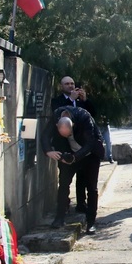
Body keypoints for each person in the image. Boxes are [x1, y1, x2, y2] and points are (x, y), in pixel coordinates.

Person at [39, 105, 105, 233]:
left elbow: (90, 143)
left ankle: (91, 222)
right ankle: (59, 217)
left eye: (68, 134)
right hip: (68, 153)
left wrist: (75, 157)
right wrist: (48, 151)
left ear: (73, 125)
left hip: (89, 154)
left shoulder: (84, 117)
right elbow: (45, 136)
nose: (67, 136)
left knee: (91, 188)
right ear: (57, 126)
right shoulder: (57, 115)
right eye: (63, 134)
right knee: (63, 184)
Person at [52, 76, 96, 214]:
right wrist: (70, 99)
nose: (70, 86)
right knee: (64, 180)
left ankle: (81, 205)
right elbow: (57, 115)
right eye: (67, 84)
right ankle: (63, 206)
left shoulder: (81, 103)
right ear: (61, 86)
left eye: (72, 84)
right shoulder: (57, 101)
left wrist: (85, 100)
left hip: (81, 147)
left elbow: (93, 116)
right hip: (65, 147)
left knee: (82, 179)